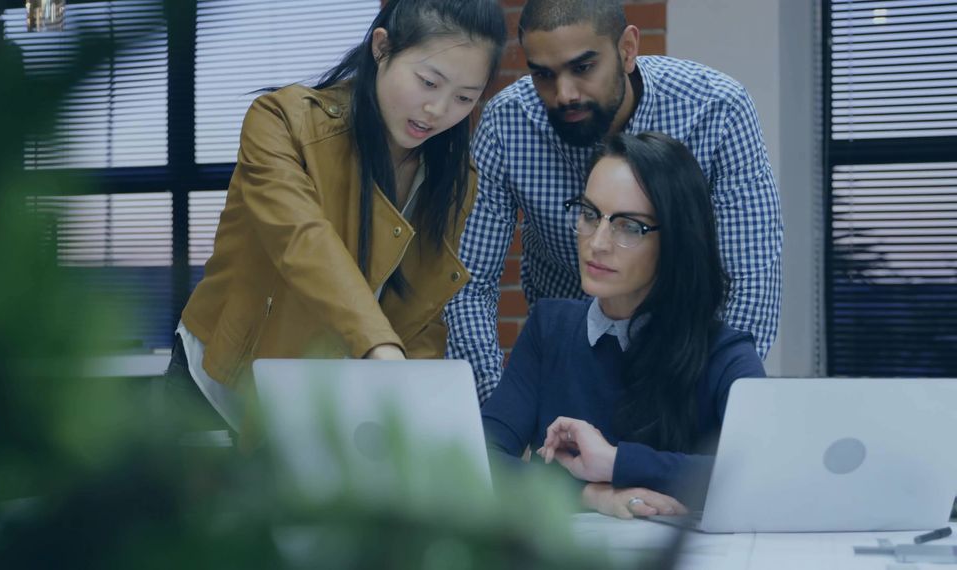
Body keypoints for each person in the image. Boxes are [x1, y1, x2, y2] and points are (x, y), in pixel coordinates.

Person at [163, 0, 507, 431]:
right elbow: (301, 239)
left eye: (463, 98)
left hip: (321, 406)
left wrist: (413, 397)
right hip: (217, 386)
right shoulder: (282, 121)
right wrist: (380, 348)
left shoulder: (454, 176)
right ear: (382, 48)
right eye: (427, 82)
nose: (438, 110)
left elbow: (421, 311)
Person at [445, 0, 782, 403]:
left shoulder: (716, 108)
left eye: (583, 67)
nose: (564, 94)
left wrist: (706, 404)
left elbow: (750, 277)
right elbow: (466, 284)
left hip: (684, 355)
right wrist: (500, 405)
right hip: (568, 354)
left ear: (626, 49)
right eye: (543, 75)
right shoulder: (508, 123)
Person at [480, 132, 767, 518]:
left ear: (677, 241)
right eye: (589, 214)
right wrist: (591, 496)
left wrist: (614, 462)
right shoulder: (550, 327)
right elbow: (480, 458)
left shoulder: (724, 352)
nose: (597, 243)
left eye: (629, 226)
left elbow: (766, 471)